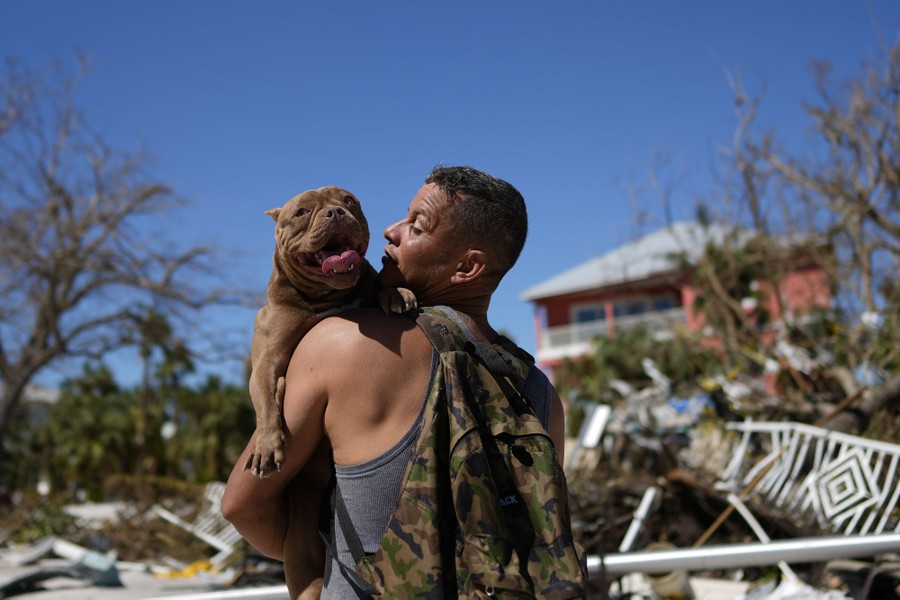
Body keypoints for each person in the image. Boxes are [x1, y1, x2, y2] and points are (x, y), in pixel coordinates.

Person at [222, 166, 567, 597]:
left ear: (466, 266)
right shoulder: (539, 393)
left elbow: (241, 506)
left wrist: (320, 557)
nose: (390, 230)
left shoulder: (340, 344)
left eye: (415, 226)